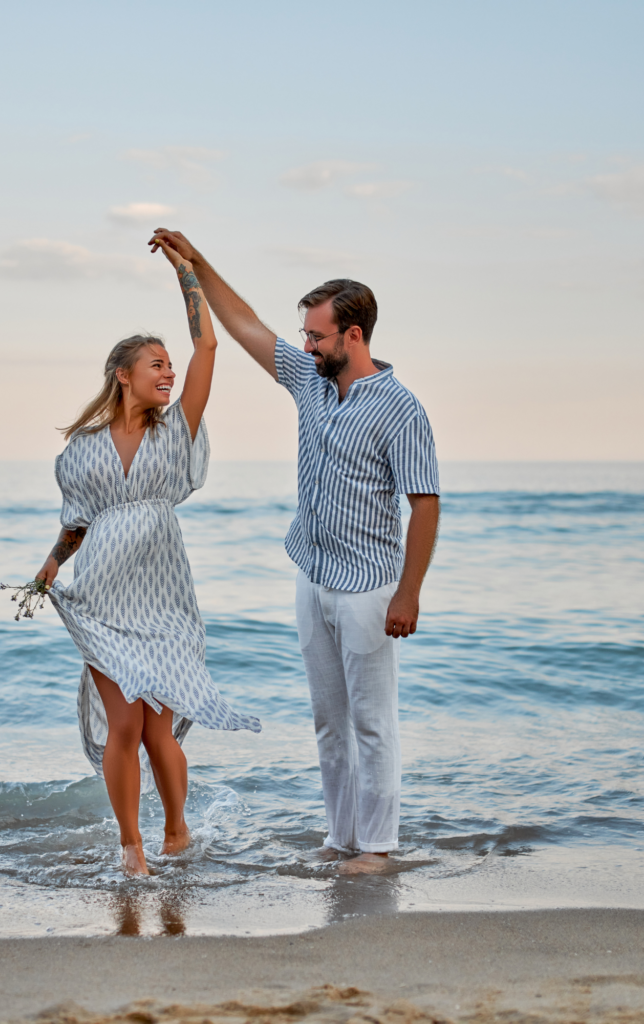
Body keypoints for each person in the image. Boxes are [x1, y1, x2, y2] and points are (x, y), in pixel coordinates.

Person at [148, 228, 440, 875]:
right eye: (305, 335)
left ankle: (378, 846)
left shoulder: (399, 409)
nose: (304, 345)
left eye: (316, 335)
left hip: (369, 586)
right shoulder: (308, 383)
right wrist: (195, 265)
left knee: (371, 724)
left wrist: (408, 592)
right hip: (313, 576)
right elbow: (244, 323)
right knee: (327, 723)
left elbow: (424, 502)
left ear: (353, 335)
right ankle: (340, 840)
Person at [35, 242, 261, 877]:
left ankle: (177, 830)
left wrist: (185, 273)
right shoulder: (82, 448)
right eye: (155, 366)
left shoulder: (176, 428)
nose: (167, 374)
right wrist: (52, 563)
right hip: (102, 597)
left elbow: (208, 351)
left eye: (169, 365)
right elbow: (76, 522)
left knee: (162, 730)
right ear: (123, 375)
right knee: (125, 727)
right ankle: (131, 847)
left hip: (164, 597)